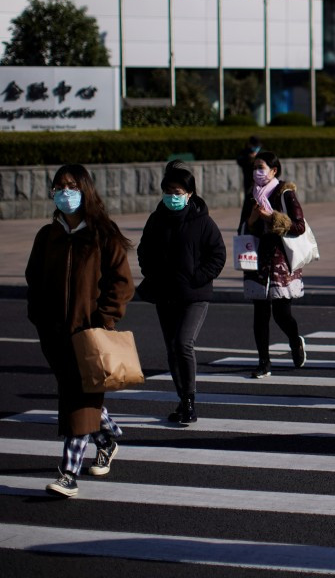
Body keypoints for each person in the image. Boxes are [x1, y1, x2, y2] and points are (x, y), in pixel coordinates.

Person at [26, 164, 135, 498]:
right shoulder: (48, 235)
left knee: (78, 401)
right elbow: (34, 280)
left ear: (85, 190)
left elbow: (121, 283)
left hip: (90, 333)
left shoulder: (102, 233)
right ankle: (107, 438)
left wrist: (104, 319)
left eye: (71, 186)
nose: (65, 193)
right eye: (59, 187)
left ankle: (69, 474)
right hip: (55, 334)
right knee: (78, 394)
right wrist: (39, 317)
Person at [137, 161, 226, 424]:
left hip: (195, 295)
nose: (172, 197)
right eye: (168, 191)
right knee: (171, 348)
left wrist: (197, 278)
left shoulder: (203, 221)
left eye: (178, 192)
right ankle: (181, 398)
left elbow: (217, 254)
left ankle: (189, 399)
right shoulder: (156, 219)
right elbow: (144, 251)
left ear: (189, 194)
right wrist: (151, 273)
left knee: (183, 343)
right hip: (165, 293)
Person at [238, 150, 308, 378]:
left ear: (273, 170)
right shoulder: (252, 195)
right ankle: (263, 362)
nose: (257, 172)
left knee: (281, 313)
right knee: (260, 313)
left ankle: (294, 340)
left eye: (261, 167)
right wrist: (253, 220)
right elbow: (243, 228)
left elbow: (299, 226)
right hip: (257, 257)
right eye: (255, 168)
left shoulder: (285, 193)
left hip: (280, 260)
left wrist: (272, 218)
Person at [236, 135, 262, 205]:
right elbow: (239, 161)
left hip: (260, 178)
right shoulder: (245, 152)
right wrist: (248, 157)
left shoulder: (261, 152)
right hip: (248, 178)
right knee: (249, 196)